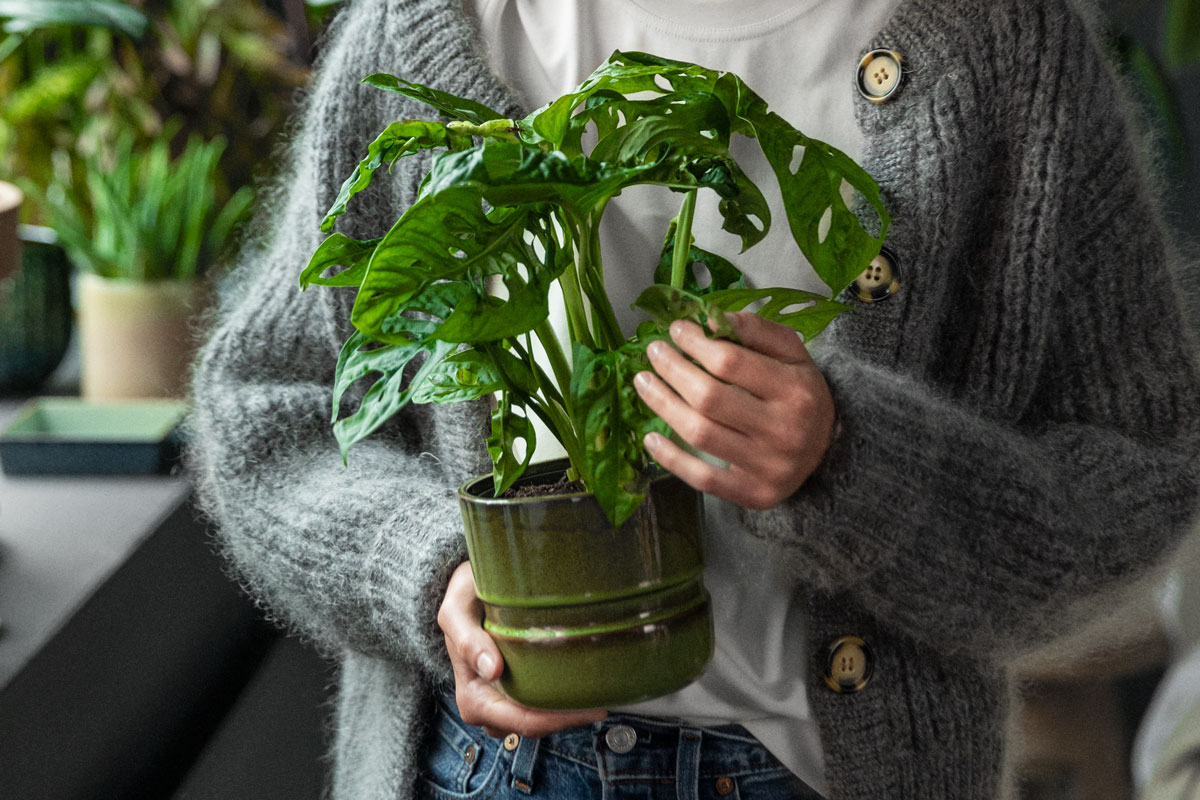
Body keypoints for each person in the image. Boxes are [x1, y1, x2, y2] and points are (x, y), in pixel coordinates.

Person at [188, 0, 1200, 798]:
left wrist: (854, 459)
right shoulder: (439, 23)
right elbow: (264, 413)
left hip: (826, 773)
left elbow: (1143, 466)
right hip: (490, 768)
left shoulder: (1008, 42)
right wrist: (431, 570)